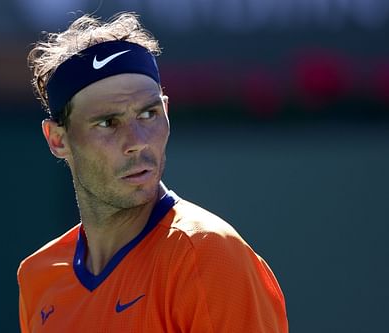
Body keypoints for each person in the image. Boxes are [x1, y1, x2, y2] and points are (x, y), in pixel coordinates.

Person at [17, 12, 288, 333]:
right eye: (107, 123)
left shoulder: (208, 254)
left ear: (167, 112)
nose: (137, 142)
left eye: (148, 114)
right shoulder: (38, 276)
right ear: (58, 139)